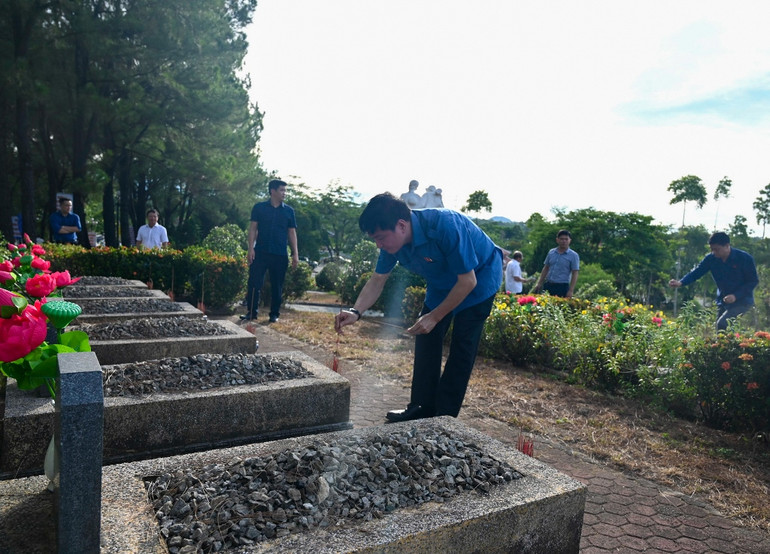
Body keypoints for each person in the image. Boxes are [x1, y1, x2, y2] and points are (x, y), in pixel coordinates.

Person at [334, 193, 503, 422]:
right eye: (375, 239)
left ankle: (442, 418)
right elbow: (377, 280)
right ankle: (420, 408)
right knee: (426, 338)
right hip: (443, 284)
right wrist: (356, 312)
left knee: (462, 347)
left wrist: (434, 316)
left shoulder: (445, 225)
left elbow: (468, 282)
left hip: (478, 281)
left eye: (381, 238)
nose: (379, 245)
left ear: (401, 225)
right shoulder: (391, 243)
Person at [668, 232, 758, 331]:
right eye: (712, 249)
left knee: (723, 324)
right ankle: (727, 346)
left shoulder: (744, 258)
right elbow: (697, 272)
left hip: (742, 300)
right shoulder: (711, 259)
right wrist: (681, 282)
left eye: (717, 249)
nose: (714, 252)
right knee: (720, 330)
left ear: (727, 246)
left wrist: (735, 295)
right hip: (723, 301)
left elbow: (753, 281)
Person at [242, 179, 299, 323]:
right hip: (260, 251)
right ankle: (251, 313)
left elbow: (291, 233)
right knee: (254, 283)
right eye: (282, 190)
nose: (284, 193)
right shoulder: (259, 208)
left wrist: (295, 254)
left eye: (285, 191)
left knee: (277, 285)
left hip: (280, 254)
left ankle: (274, 314)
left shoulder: (289, 211)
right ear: (272, 191)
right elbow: (253, 229)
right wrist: (250, 248)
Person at [533, 229, 579, 298]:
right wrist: (539, 283)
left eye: (566, 239)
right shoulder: (551, 252)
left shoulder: (573, 255)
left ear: (570, 240)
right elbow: (546, 268)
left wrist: (571, 290)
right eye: (561, 239)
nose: (564, 241)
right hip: (549, 284)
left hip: (562, 286)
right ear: (557, 240)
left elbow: (575, 273)